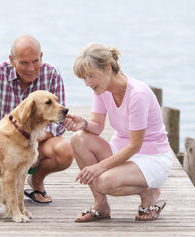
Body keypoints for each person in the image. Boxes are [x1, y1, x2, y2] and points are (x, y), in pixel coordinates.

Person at [64, 43, 172, 222]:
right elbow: (97, 126)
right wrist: (82, 123)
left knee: (103, 182)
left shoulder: (138, 95)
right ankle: (101, 205)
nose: (87, 83)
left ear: (107, 68)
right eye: (84, 78)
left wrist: (99, 167)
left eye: (91, 76)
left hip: (152, 158)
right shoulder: (101, 90)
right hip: (122, 151)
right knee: (78, 139)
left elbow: (135, 146)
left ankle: (149, 191)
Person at [0, 34, 73, 205]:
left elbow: (59, 124)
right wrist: (4, 138)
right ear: (12, 60)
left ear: (41, 56)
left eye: (35, 61)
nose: (31, 68)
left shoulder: (51, 73)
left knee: (64, 150)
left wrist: (28, 141)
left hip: (37, 141)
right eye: (24, 63)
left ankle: (36, 182)